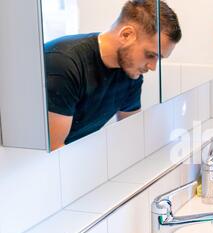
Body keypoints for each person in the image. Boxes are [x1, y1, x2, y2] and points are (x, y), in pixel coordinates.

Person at [45, 0, 181, 151]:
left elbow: (131, 134)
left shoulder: (131, 72)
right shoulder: (64, 63)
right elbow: (54, 153)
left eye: (159, 59)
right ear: (126, 35)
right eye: (150, 55)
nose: (153, 67)